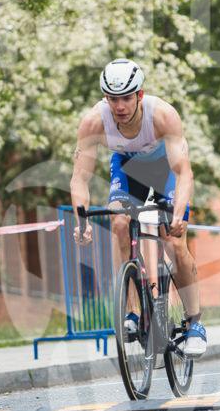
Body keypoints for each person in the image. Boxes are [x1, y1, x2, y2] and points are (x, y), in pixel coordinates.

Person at [69, 58, 206, 357]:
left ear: (140, 95)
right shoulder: (93, 121)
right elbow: (80, 177)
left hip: (165, 170)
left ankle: (194, 321)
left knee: (173, 241)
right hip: (127, 169)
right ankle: (133, 311)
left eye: (126, 98)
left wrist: (179, 214)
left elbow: (183, 172)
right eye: (113, 99)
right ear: (105, 98)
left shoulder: (163, 115)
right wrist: (82, 222)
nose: (119, 106)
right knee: (119, 222)